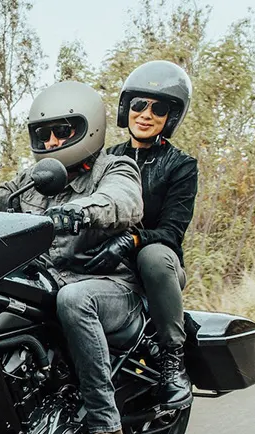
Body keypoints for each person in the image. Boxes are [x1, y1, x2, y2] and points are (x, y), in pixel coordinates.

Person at [0, 81, 143, 434]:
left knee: (73, 299)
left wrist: (81, 211)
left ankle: (106, 429)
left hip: (109, 288)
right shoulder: (32, 179)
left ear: (88, 129)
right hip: (48, 280)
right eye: (44, 133)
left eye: (63, 131)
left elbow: (123, 200)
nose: (52, 140)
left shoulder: (114, 167)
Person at [92, 60, 199, 410]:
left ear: (171, 117)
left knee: (154, 256)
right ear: (126, 109)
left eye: (158, 108)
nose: (146, 114)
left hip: (157, 265)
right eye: (139, 105)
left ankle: (173, 361)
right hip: (106, 262)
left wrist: (132, 240)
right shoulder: (105, 159)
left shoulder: (181, 165)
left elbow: (171, 231)